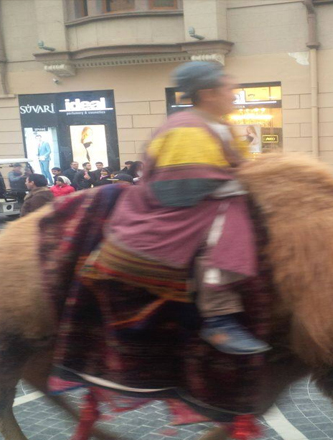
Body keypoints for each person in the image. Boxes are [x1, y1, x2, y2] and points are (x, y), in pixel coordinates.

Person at [105, 61, 268, 355]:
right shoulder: (186, 128)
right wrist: (245, 184)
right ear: (208, 93)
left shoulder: (219, 125)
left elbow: (239, 168)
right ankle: (218, 316)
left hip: (209, 197)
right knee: (227, 226)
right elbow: (182, 184)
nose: (234, 93)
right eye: (228, 87)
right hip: (182, 206)